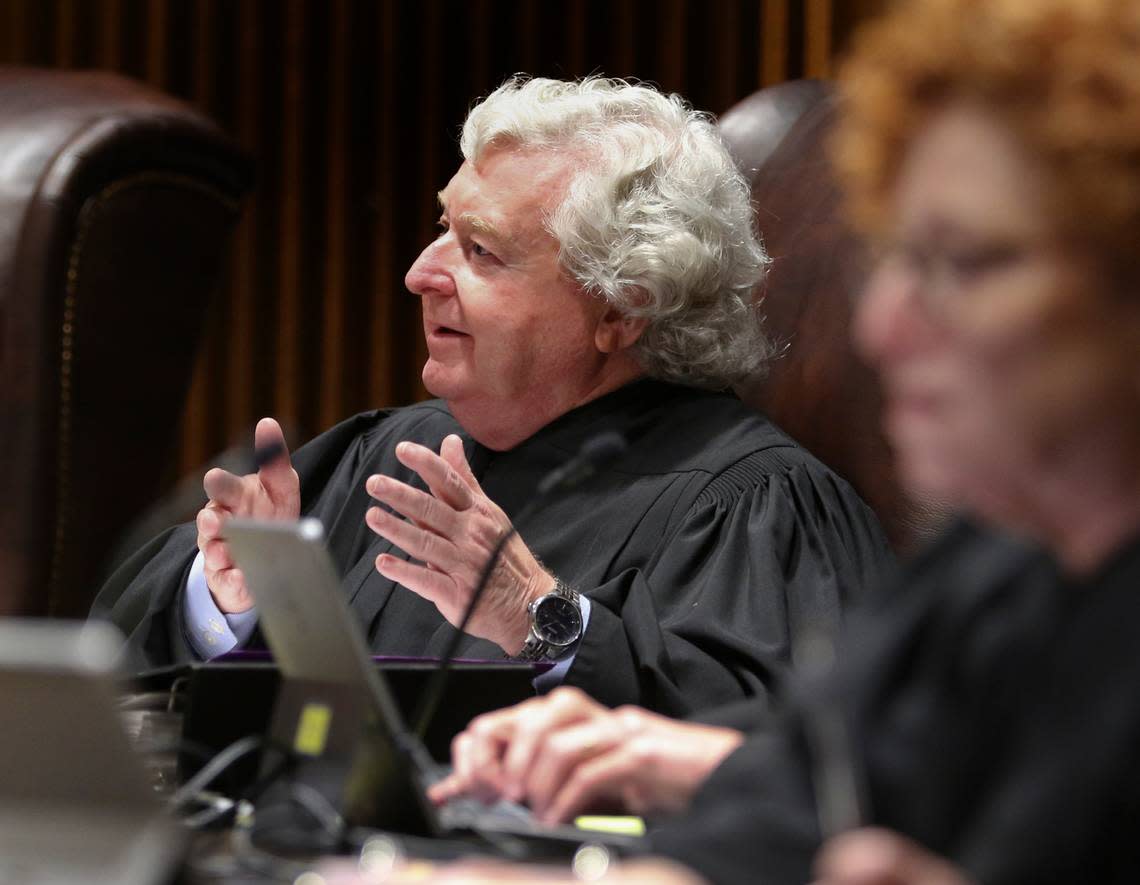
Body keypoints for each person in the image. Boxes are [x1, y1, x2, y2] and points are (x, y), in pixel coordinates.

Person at [370, 0, 1140, 882]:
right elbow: (793, 794)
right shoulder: (992, 568)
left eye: (965, 262)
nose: (883, 327)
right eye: (897, 260)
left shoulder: (753, 493)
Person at [92, 75, 891, 716]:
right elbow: (114, 676)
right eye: (443, 227)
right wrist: (230, 606)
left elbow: (774, 758)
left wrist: (538, 616)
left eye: (482, 251)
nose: (420, 273)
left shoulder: (752, 506)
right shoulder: (379, 460)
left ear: (621, 305)